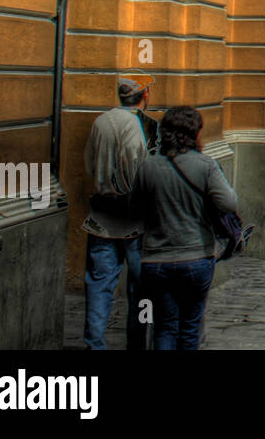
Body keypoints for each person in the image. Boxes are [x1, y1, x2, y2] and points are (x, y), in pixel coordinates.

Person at [131, 105, 239, 350]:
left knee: (164, 327)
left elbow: (135, 208)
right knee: (189, 328)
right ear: (195, 133)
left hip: (156, 258)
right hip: (196, 256)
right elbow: (230, 202)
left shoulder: (148, 166)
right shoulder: (206, 165)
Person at [82, 73, 156, 350]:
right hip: (133, 218)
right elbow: (139, 168)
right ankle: (136, 346)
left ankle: (95, 344)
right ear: (145, 95)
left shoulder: (101, 121)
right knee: (139, 289)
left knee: (99, 285)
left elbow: (90, 164)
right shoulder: (137, 126)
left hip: (101, 215)